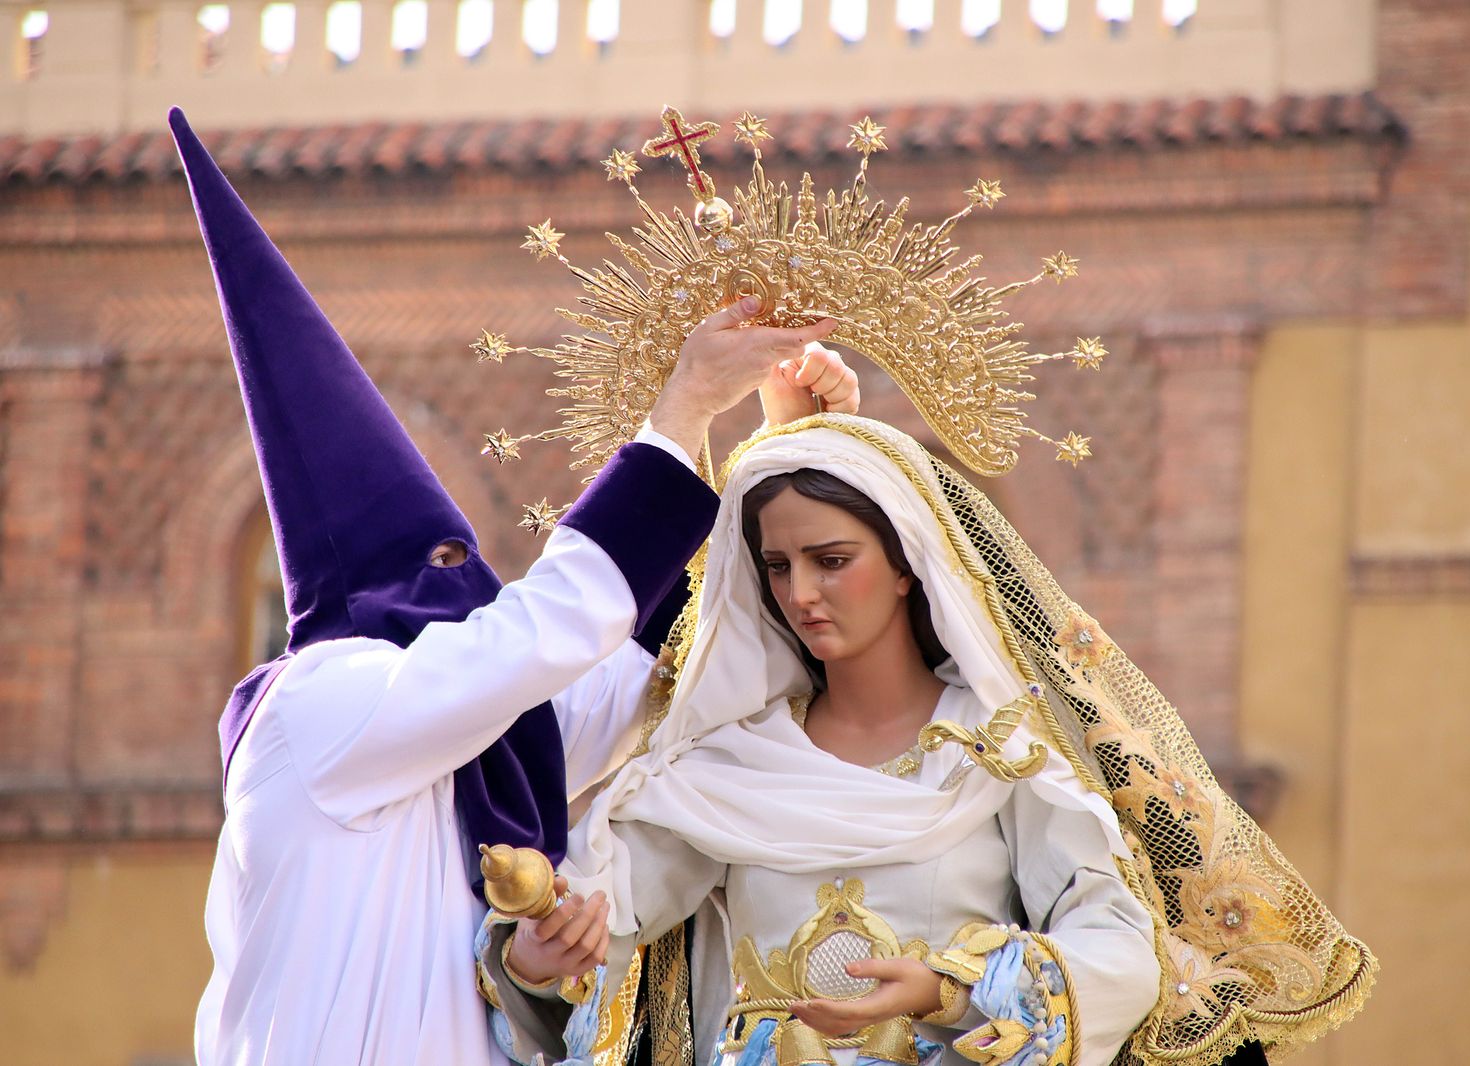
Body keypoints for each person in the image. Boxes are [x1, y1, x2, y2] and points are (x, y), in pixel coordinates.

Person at [168, 106, 859, 1066]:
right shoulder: (314, 707)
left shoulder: (467, 744)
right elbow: (545, 629)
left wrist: (778, 453)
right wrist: (683, 405)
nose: (471, 589)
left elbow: (656, 671)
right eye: (443, 567)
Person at [480, 415, 1373, 1066]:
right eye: (778, 567)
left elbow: (1119, 949)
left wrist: (954, 990)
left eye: (833, 561)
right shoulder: (723, 766)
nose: (802, 594)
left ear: (907, 564)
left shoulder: (1001, 751)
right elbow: (605, 927)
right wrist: (541, 950)